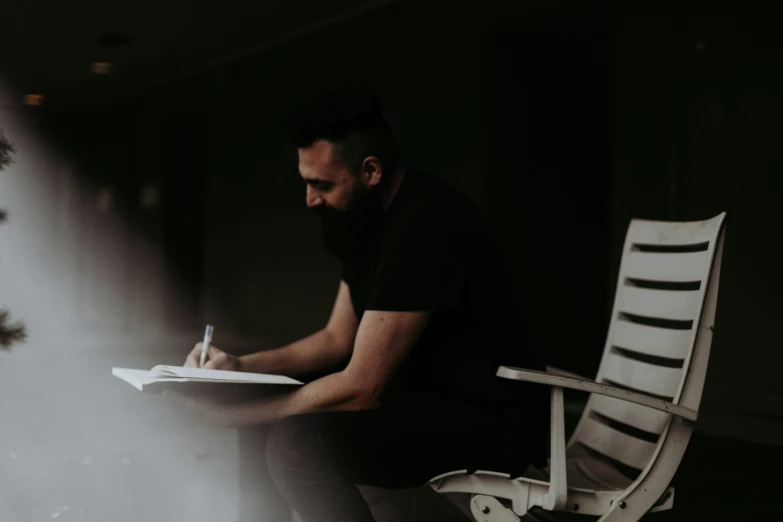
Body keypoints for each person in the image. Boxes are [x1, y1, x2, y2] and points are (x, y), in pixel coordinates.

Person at [176, 84, 550, 522]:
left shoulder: (423, 226)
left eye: (322, 184)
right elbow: (336, 339)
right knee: (276, 396)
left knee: (298, 443)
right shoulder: (363, 221)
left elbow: (363, 389)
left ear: (370, 170)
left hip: (489, 422)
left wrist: (245, 415)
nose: (310, 198)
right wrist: (241, 369)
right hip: (422, 399)